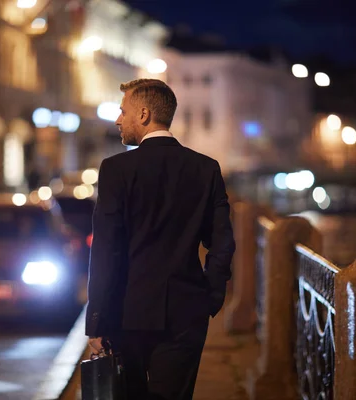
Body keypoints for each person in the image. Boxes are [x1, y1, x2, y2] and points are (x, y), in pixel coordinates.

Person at [85, 78, 236, 399]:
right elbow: (222, 242)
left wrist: (97, 320)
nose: (117, 119)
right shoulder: (205, 168)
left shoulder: (116, 169)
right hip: (186, 312)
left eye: (122, 111)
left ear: (143, 115)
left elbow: (106, 251)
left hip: (127, 312)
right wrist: (209, 298)